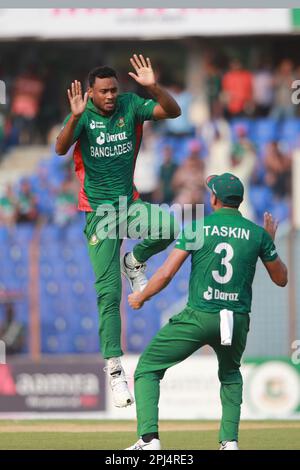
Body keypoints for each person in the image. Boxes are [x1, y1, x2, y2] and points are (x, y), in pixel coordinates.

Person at [126, 172, 287, 450]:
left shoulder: (197, 228)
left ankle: (149, 440)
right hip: (236, 318)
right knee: (230, 374)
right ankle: (229, 442)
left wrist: (141, 296)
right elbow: (281, 279)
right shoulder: (257, 234)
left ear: (214, 199)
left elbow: (166, 273)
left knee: (147, 368)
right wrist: (269, 243)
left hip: (199, 315)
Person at [55, 54, 181, 408]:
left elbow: (173, 112)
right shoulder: (82, 115)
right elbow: (60, 148)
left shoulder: (131, 105)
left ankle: (134, 260)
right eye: (104, 92)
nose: (110, 96)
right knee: (108, 295)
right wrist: (75, 118)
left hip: (130, 204)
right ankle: (114, 370)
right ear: (91, 94)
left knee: (170, 226)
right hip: (99, 214)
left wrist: (153, 86)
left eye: (113, 90)